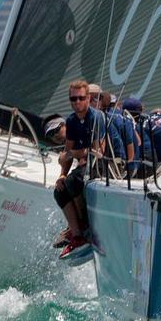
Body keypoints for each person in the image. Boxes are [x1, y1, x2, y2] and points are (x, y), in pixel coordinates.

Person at [53, 79, 106, 262]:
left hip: (100, 164)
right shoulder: (71, 121)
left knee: (75, 182)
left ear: (88, 98)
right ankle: (77, 235)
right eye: (73, 99)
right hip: (84, 165)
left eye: (81, 98)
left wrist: (73, 154)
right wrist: (61, 174)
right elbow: (68, 152)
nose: (77, 102)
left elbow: (98, 150)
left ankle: (84, 224)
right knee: (60, 190)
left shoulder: (96, 117)